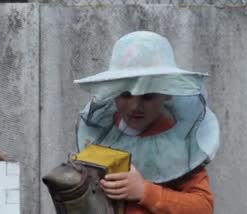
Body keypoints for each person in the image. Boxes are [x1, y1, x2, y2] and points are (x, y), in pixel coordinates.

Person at [74, 31, 220, 213]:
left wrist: (145, 191)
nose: (135, 106)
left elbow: (203, 206)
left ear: (167, 93)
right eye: (126, 95)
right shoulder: (102, 132)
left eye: (148, 96)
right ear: (113, 92)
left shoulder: (181, 142)